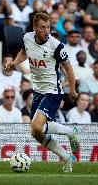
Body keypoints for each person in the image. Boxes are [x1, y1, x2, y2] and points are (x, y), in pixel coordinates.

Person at [5, 12, 79, 173]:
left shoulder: (56, 46)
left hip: (53, 91)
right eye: (42, 27)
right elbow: (24, 52)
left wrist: (72, 89)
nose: (46, 31)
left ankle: (70, 132)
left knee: (37, 126)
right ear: (34, 28)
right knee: (35, 132)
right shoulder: (27, 38)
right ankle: (66, 156)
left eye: (48, 27)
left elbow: (68, 68)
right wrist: (14, 63)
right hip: (38, 90)